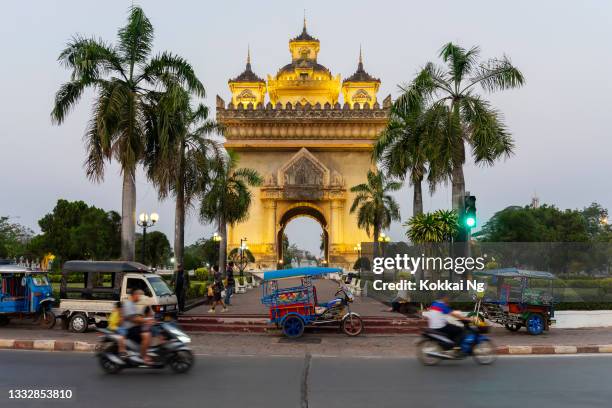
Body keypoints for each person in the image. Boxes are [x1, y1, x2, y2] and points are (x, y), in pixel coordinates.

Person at [122, 289, 152, 364]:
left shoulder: (132, 304)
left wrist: (145, 320)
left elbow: (137, 317)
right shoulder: (128, 304)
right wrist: (145, 320)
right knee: (146, 335)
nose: (139, 297)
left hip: (134, 327)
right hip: (130, 329)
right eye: (138, 295)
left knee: (149, 330)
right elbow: (133, 319)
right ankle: (143, 356)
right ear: (134, 295)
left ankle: (143, 351)